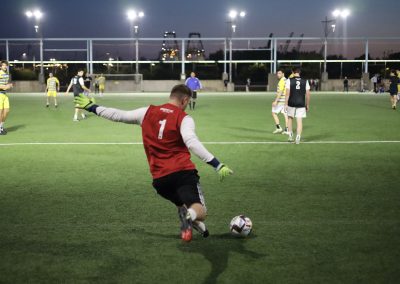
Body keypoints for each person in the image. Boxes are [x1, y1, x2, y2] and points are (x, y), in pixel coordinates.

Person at [74, 84, 233, 242]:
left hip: (160, 181)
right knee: (200, 210)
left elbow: (118, 115)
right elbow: (191, 142)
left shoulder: (147, 112)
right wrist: (217, 164)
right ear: (185, 100)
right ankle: (191, 216)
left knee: (180, 202)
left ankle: (188, 227)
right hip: (183, 173)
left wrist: (92, 106)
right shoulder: (184, 118)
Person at [285, 67, 311, 144]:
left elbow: (287, 93)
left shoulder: (289, 80)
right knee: (299, 120)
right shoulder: (305, 81)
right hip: (301, 103)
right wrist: (307, 104)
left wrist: (285, 103)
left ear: (292, 72)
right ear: (299, 72)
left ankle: (290, 136)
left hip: (291, 102)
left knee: (290, 118)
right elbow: (308, 94)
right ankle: (298, 137)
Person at [271, 70, 289, 134]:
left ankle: (278, 128)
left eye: (279, 73)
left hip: (281, 100)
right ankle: (287, 129)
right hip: (286, 100)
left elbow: (280, 91)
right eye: (277, 73)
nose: (278, 75)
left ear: (283, 74)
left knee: (273, 112)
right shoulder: (286, 80)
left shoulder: (281, 81)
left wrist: (276, 101)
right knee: (285, 114)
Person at [0, 60, 13, 135]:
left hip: (4, 95)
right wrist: (5, 86)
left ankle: (1, 126)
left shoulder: (7, 74)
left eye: (6, 65)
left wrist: (9, 85)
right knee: (0, 113)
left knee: (6, 111)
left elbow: (6, 84)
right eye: (3, 65)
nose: (5, 66)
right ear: (1, 66)